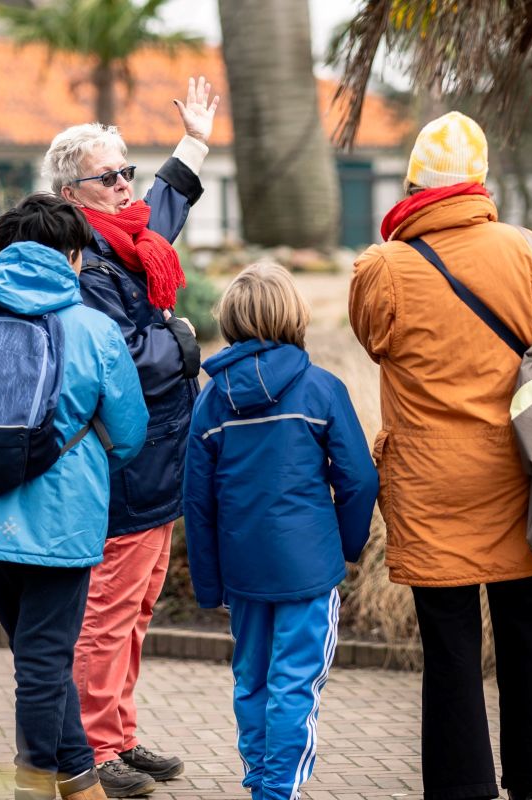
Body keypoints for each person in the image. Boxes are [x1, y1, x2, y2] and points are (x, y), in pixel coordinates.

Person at [348, 111, 532, 800]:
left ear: (413, 181)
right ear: (478, 182)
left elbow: (373, 340)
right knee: (526, 639)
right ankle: (529, 784)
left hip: (431, 483)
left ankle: (461, 790)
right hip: (525, 476)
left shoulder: (384, 266)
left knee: (450, 651)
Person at [0, 193, 149, 800]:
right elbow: (132, 434)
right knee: (43, 660)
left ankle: (80, 778)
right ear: (72, 256)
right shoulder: (93, 329)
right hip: (60, 522)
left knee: (38, 653)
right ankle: (33, 784)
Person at [45, 75, 219, 798]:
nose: (125, 184)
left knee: (137, 607)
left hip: (157, 462)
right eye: (107, 176)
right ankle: (93, 746)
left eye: (126, 170)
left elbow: (162, 210)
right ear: (70, 194)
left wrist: (196, 141)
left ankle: (118, 731)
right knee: (109, 611)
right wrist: (179, 342)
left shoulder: (127, 239)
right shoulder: (86, 262)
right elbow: (113, 357)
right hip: (124, 466)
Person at [182, 262, 378, 800]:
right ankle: (275, 791)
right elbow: (359, 479)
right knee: (296, 683)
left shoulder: (211, 400)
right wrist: (345, 546)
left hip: (243, 573)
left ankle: (259, 780)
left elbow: (196, 502)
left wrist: (209, 583)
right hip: (308, 571)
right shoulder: (321, 389)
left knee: (252, 681)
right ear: (294, 314)